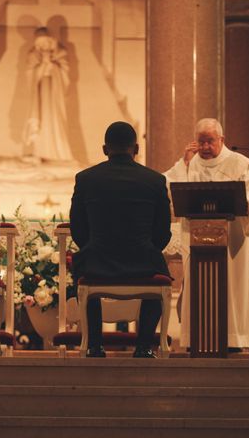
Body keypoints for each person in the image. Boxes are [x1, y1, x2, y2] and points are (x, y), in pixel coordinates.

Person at [69, 122, 172, 358]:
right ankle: (144, 346)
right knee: (160, 268)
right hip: (143, 261)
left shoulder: (85, 179)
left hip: (98, 261)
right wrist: (147, 248)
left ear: (105, 149)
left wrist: (93, 247)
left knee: (82, 265)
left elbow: (78, 228)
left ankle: (94, 345)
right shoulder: (154, 181)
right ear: (136, 148)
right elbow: (163, 232)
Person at [164, 118, 249, 350]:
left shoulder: (239, 163)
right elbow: (168, 186)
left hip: (232, 242)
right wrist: (185, 165)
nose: (205, 147)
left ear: (222, 140)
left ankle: (233, 339)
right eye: (201, 142)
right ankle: (196, 338)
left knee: (232, 288)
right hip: (197, 240)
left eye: (210, 141)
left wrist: (248, 202)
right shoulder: (190, 163)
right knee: (199, 288)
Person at [23, 27, 72, 161]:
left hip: (54, 93)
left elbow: (65, 73)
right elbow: (30, 74)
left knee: (55, 119)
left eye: (45, 42)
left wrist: (51, 65)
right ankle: (40, 152)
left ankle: (58, 152)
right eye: (40, 43)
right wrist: (42, 67)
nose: (43, 46)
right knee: (41, 119)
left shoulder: (60, 53)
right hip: (39, 94)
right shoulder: (33, 56)